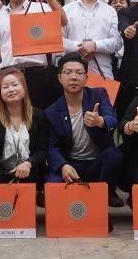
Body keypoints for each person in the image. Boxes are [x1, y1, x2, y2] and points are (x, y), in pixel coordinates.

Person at [0, 0, 67, 112]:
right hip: (8, 74)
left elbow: (63, 21)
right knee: (11, 118)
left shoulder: (41, 8)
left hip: (37, 74)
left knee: (39, 115)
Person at [44, 53, 122, 194]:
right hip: (71, 162)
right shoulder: (52, 111)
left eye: (79, 73)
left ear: (86, 78)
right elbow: (52, 148)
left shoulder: (98, 94)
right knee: (53, 187)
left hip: (97, 161)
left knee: (114, 155)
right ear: (59, 78)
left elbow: (112, 120)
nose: (73, 77)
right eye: (68, 72)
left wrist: (100, 121)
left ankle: (107, 193)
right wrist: (63, 166)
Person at [0, 67, 47, 183]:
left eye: (15, 85)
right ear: (0, 92)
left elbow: (42, 149)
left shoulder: (38, 115)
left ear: (24, 88)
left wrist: (28, 163)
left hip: (30, 174)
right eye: (5, 87)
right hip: (0, 176)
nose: (11, 89)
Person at [63, 0, 122, 81]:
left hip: (102, 73)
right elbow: (59, 40)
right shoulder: (66, 10)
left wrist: (95, 45)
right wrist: (80, 47)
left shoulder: (110, 11)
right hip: (72, 73)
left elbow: (116, 42)